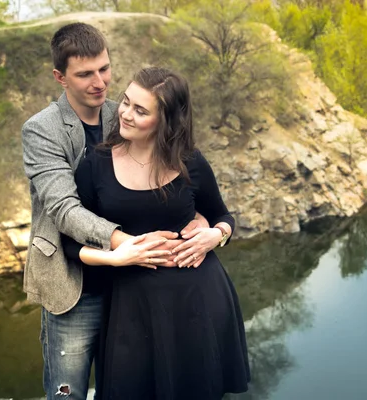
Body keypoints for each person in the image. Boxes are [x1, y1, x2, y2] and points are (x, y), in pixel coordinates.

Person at [21, 23, 210, 400]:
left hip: (134, 288)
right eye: (85, 74)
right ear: (60, 77)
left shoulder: (125, 114)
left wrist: (202, 221)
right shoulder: (41, 130)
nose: (100, 82)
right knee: (68, 392)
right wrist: (126, 242)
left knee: (128, 388)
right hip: (76, 282)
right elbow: (63, 209)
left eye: (104, 69)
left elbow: (167, 173)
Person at [62, 66, 251, 399]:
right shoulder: (96, 164)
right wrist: (116, 258)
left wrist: (216, 235)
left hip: (198, 302)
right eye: (126, 102)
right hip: (133, 310)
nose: (126, 114)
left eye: (141, 110)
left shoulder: (191, 162)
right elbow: (68, 241)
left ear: (165, 121)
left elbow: (223, 215)